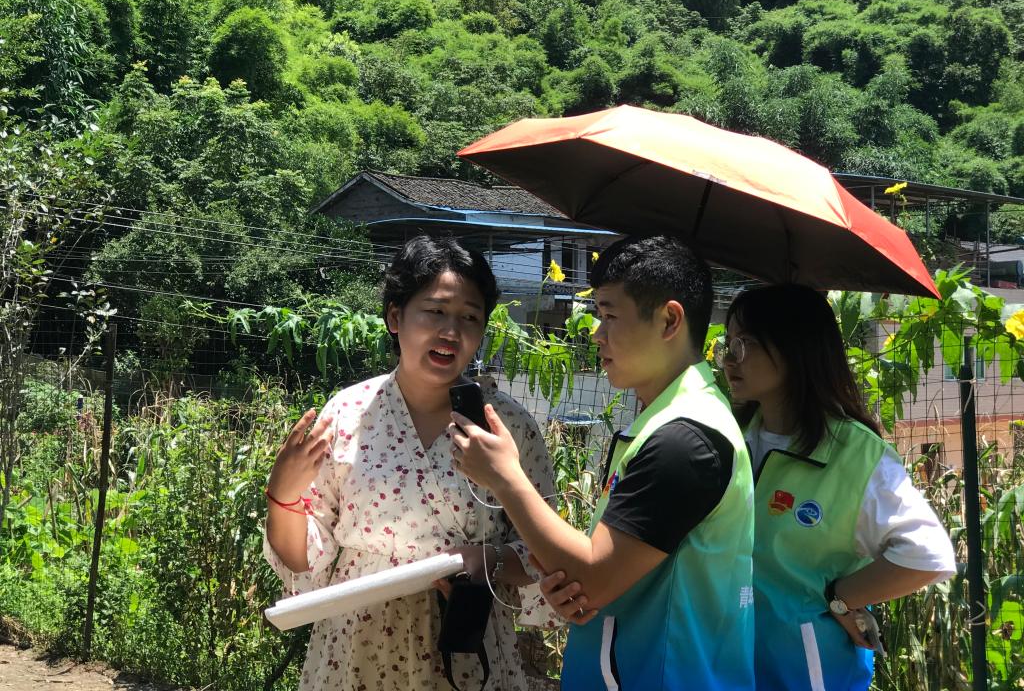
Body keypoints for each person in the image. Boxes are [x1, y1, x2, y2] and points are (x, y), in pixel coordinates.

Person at [450, 235, 756, 690]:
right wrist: (569, 584)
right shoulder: (671, 420)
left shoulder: (683, 441)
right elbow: (602, 572)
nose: (597, 333)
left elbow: (592, 577)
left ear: (670, 320)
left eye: (610, 315)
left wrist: (505, 477)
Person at [263, 235, 555, 691]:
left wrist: (489, 559)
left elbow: (544, 549)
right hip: (357, 647)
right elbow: (303, 559)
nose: (451, 332)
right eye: (435, 311)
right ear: (395, 317)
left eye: (469, 317)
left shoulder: (507, 426)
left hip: (468, 649)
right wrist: (282, 496)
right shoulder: (347, 413)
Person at [717, 283, 956, 691]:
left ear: (795, 347)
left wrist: (841, 598)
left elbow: (926, 555)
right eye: (728, 343)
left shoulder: (855, 454)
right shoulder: (728, 436)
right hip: (728, 666)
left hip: (810, 673)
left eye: (746, 343)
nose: (729, 358)